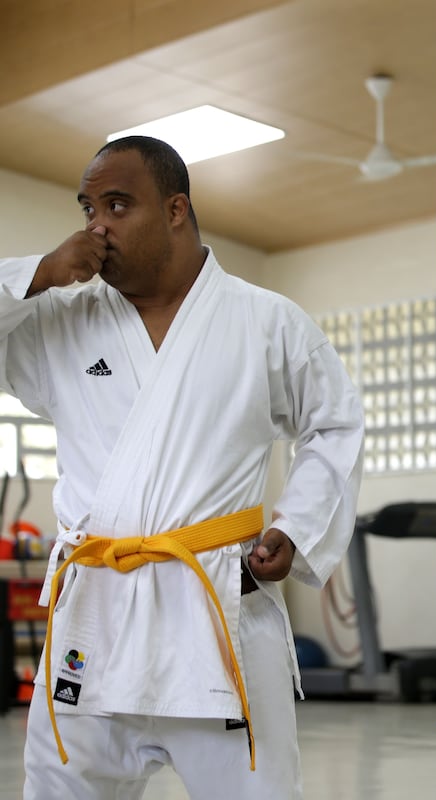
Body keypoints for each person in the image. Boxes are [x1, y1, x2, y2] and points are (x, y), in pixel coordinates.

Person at [8, 136, 365, 798]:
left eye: (118, 205)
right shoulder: (61, 321)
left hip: (216, 605)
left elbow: (335, 423)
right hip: (95, 615)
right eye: (89, 208)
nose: (97, 226)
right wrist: (36, 275)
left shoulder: (265, 322)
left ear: (176, 210)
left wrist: (298, 526)